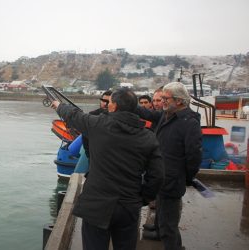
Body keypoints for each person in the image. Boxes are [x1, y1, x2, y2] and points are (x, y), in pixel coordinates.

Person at [51, 88, 164, 250]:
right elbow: (158, 176)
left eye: (109, 102)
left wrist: (58, 105)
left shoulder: (97, 125)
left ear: (114, 106)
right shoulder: (148, 137)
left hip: (96, 205)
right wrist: (142, 199)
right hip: (128, 206)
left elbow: (73, 115)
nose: (107, 105)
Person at [136, 82, 202, 250]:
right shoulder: (166, 115)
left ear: (179, 101)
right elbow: (146, 113)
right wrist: (127, 103)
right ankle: (158, 230)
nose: (162, 102)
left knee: (169, 226)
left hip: (172, 180)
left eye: (165, 98)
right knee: (162, 212)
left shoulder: (189, 123)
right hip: (161, 176)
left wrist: (186, 178)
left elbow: (193, 156)